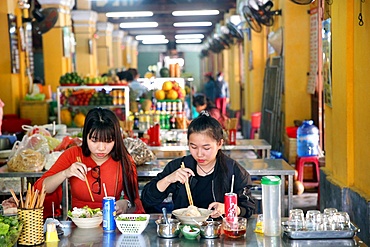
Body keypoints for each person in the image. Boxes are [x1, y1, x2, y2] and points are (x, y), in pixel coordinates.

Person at [141, 112, 255, 218]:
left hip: (220, 233)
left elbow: (249, 208)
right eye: (193, 147)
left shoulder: (233, 171)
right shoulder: (179, 166)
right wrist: (168, 180)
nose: (199, 154)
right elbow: (147, 200)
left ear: (219, 143)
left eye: (206, 148)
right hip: (183, 233)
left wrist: (228, 208)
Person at [34, 107, 145, 216]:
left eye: (108, 141)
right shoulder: (73, 154)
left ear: (116, 139)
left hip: (112, 224)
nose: (101, 148)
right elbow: (40, 188)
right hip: (79, 225)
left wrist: (126, 203)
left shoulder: (124, 160)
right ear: (85, 136)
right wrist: (65, 173)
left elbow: (134, 200)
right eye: (94, 140)